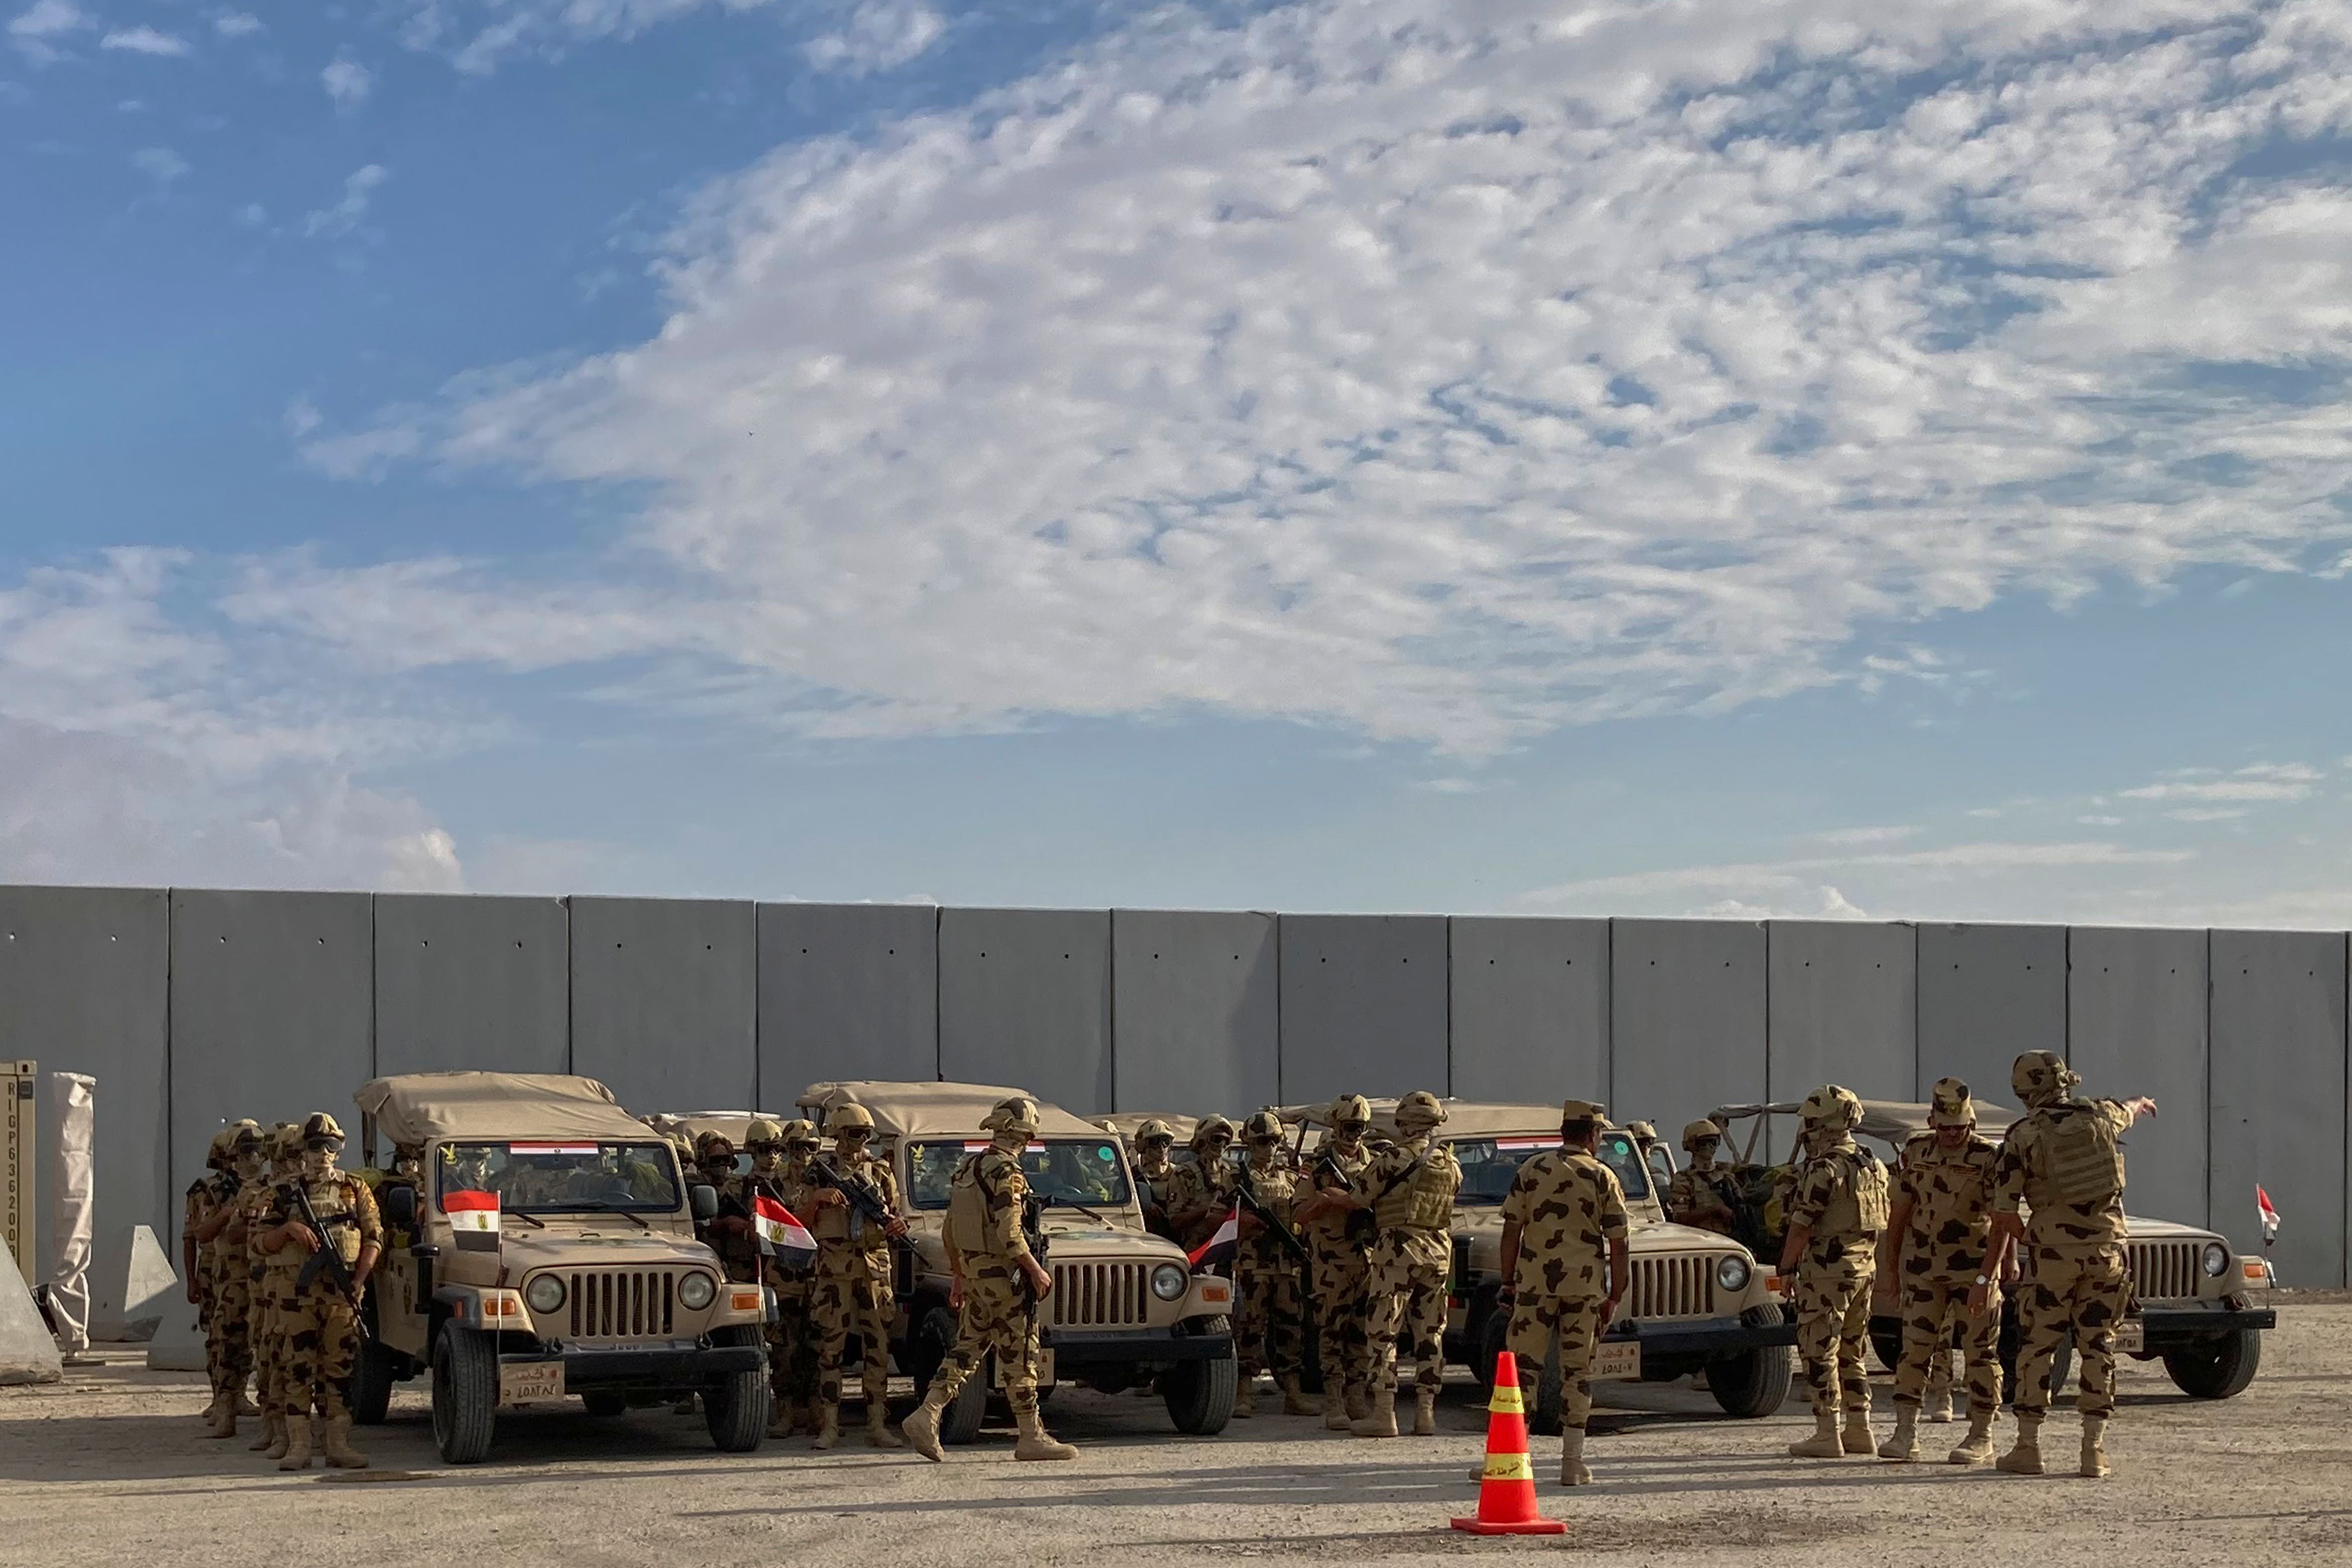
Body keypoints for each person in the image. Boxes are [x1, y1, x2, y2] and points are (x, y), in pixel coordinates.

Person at [1985, 1051, 2157, 1479]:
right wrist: (2142, 1101)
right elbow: (2131, 1106)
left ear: (2023, 1091)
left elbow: (2004, 1214)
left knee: (2038, 1346)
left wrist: (2043, 1241)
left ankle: (2028, 1447)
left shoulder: (2022, 1135)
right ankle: (2092, 1450)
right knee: (2099, 1344)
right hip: (2107, 1253)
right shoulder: (2102, 1114)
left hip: (2053, 1259)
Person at [902, 1095, 1076, 1462]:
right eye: (1029, 1136)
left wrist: (959, 1276)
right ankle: (1031, 1435)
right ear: (1022, 1135)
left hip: (976, 1275)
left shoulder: (969, 1168)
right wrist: (1035, 1269)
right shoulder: (1007, 1173)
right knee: (1021, 1352)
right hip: (1004, 1278)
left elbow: (950, 1229)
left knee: (967, 1348)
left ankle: (927, 1413)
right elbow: (1010, 1234)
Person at [1498, 1098, 1629, 1486]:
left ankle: (1511, 1459)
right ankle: (1572, 1461)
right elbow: (1619, 1243)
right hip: (1585, 1289)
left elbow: (1511, 1229)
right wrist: (1615, 1294)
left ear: (1563, 1131)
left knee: (1523, 1370)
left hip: (1535, 1286)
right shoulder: (1602, 1176)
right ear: (1593, 1134)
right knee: (1578, 1372)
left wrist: (1509, 1280)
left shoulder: (1532, 1169)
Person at [1874, 1078, 2003, 1465]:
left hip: (1973, 1271)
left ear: (1972, 1125)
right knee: (1914, 1352)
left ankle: (1981, 1434)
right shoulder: (1916, 1153)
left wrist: (1988, 1276)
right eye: (1944, 1127)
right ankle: (1905, 1433)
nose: (1951, 1135)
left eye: (1959, 1128)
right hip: (1925, 1271)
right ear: (1932, 1121)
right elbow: (1899, 1213)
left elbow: (2003, 1220)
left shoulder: (1987, 1158)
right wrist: (1893, 1269)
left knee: (1981, 1355)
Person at [252, 1112, 382, 1471]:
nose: (323, 1153)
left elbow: (374, 1237)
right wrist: (290, 1229)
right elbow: (258, 1244)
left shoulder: (354, 1188)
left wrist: (359, 1280)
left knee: (339, 1369)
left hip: (341, 1295)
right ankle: (299, 1444)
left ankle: (338, 1443)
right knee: (297, 1368)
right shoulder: (282, 1193)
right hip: (297, 1298)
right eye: (315, 1146)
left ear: (339, 1151)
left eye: (331, 1146)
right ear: (302, 1151)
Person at [1327, 1090, 1461, 1439]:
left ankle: (1384, 1412)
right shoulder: (1451, 1163)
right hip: (1439, 1254)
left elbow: (1359, 1198)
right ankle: (1425, 1413)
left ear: (1404, 1124)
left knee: (1383, 1331)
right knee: (1430, 1334)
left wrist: (1331, 1198)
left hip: (1398, 1254)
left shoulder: (1394, 1158)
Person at [1779, 1084, 1887, 1459]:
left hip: (1826, 1271)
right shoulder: (1874, 1164)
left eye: (1811, 1122)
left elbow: (1802, 1225)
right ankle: (1860, 1428)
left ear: (1826, 1123)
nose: (1806, 1130)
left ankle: (1827, 1432)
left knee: (1819, 1350)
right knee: (1853, 1352)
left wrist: (1787, 1267)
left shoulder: (1824, 1168)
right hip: (1863, 1269)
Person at [808, 1101, 909, 1450]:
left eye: (865, 1134)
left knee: (878, 1348)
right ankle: (830, 1424)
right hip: (835, 1270)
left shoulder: (880, 1171)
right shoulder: (818, 1172)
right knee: (831, 1348)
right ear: (837, 1134)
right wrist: (818, 1199)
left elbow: (893, 1213)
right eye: (854, 1133)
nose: (860, 1140)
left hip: (874, 1270)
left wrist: (897, 1224)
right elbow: (796, 1220)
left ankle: (877, 1423)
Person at [1293, 1094, 1378, 1431]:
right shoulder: (1317, 1166)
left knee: (1361, 1331)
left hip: (1365, 1259)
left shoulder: (1375, 1164)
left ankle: (1356, 1393)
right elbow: (1297, 1213)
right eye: (1348, 1126)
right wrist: (1325, 1203)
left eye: (1359, 1127)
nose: (1353, 1133)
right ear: (1336, 1126)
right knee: (1331, 1330)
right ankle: (1334, 1399)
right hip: (1330, 1261)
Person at [1231, 1110, 1310, 1418]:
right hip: (1252, 1266)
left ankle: (1293, 1393)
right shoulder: (1236, 1178)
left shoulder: (1291, 1177)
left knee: (1291, 1328)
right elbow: (1218, 1218)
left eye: (1274, 1142)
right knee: (1249, 1328)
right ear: (1250, 1144)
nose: (1268, 1148)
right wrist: (1243, 1223)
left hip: (1285, 1265)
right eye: (1262, 1142)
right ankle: (1244, 1393)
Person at [241, 1123, 302, 1459]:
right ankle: (276, 1427)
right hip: (271, 1292)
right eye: (290, 1155)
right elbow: (254, 1242)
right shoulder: (270, 1194)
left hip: (310, 1294)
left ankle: (311, 1432)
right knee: (273, 1360)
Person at [1164, 1115, 1239, 1248]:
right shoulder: (1184, 1175)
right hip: (1197, 1248)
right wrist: (1208, 1210)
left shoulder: (1235, 1173)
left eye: (1225, 1141)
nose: (1221, 1145)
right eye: (1217, 1139)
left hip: (1230, 1248)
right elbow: (1175, 1221)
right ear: (1202, 1142)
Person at [1664, 1119, 1742, 1236]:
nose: (1708, 1147)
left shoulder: (1728, 1172)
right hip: (1700, 1241)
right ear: (1691, 1146)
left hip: (1731, 1238)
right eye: (1702, 1143)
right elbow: (1680, 1218)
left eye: (1713, 1142)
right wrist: (1715, 1210)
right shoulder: (1684, 1179)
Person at [1131, 1120, 1181, 1241]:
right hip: (1147, 1238)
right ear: (1144, 1147)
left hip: (1180, 1237)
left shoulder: (1182, 1174)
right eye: (1155, 1142)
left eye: (1166, 1142)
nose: (1161, 1147)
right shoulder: (1133, 1177)